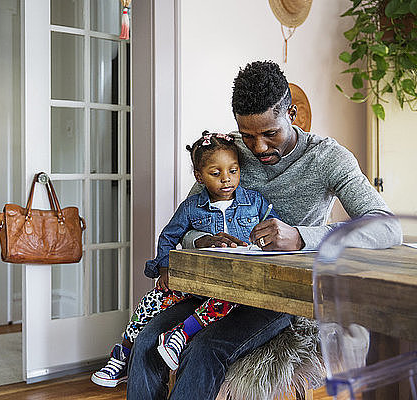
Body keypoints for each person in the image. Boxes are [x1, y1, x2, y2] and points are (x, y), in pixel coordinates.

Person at [126, 60, 402, 399]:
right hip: (220, 290)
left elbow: (386, 227)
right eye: (247, 135)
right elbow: (186, 221)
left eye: (270, 133)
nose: (258, 148)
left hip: (283, 296)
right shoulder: (228, 154)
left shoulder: (328, 158)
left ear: (292, 112)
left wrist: (302, 236)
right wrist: (201, 239)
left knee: (206, 349)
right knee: (147, 341)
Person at [91, 132, 278, 387]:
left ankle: (180, 335)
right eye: (216, 173)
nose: (226, 179)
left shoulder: (255, 203)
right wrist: (165, 267)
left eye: (233, 171)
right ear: (199, 177)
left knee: (225, 298)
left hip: (232, 285)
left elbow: (276, 231)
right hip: (195, 283)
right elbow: (168, 237)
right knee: (153, 299)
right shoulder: (191, 207)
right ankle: (123, 351)